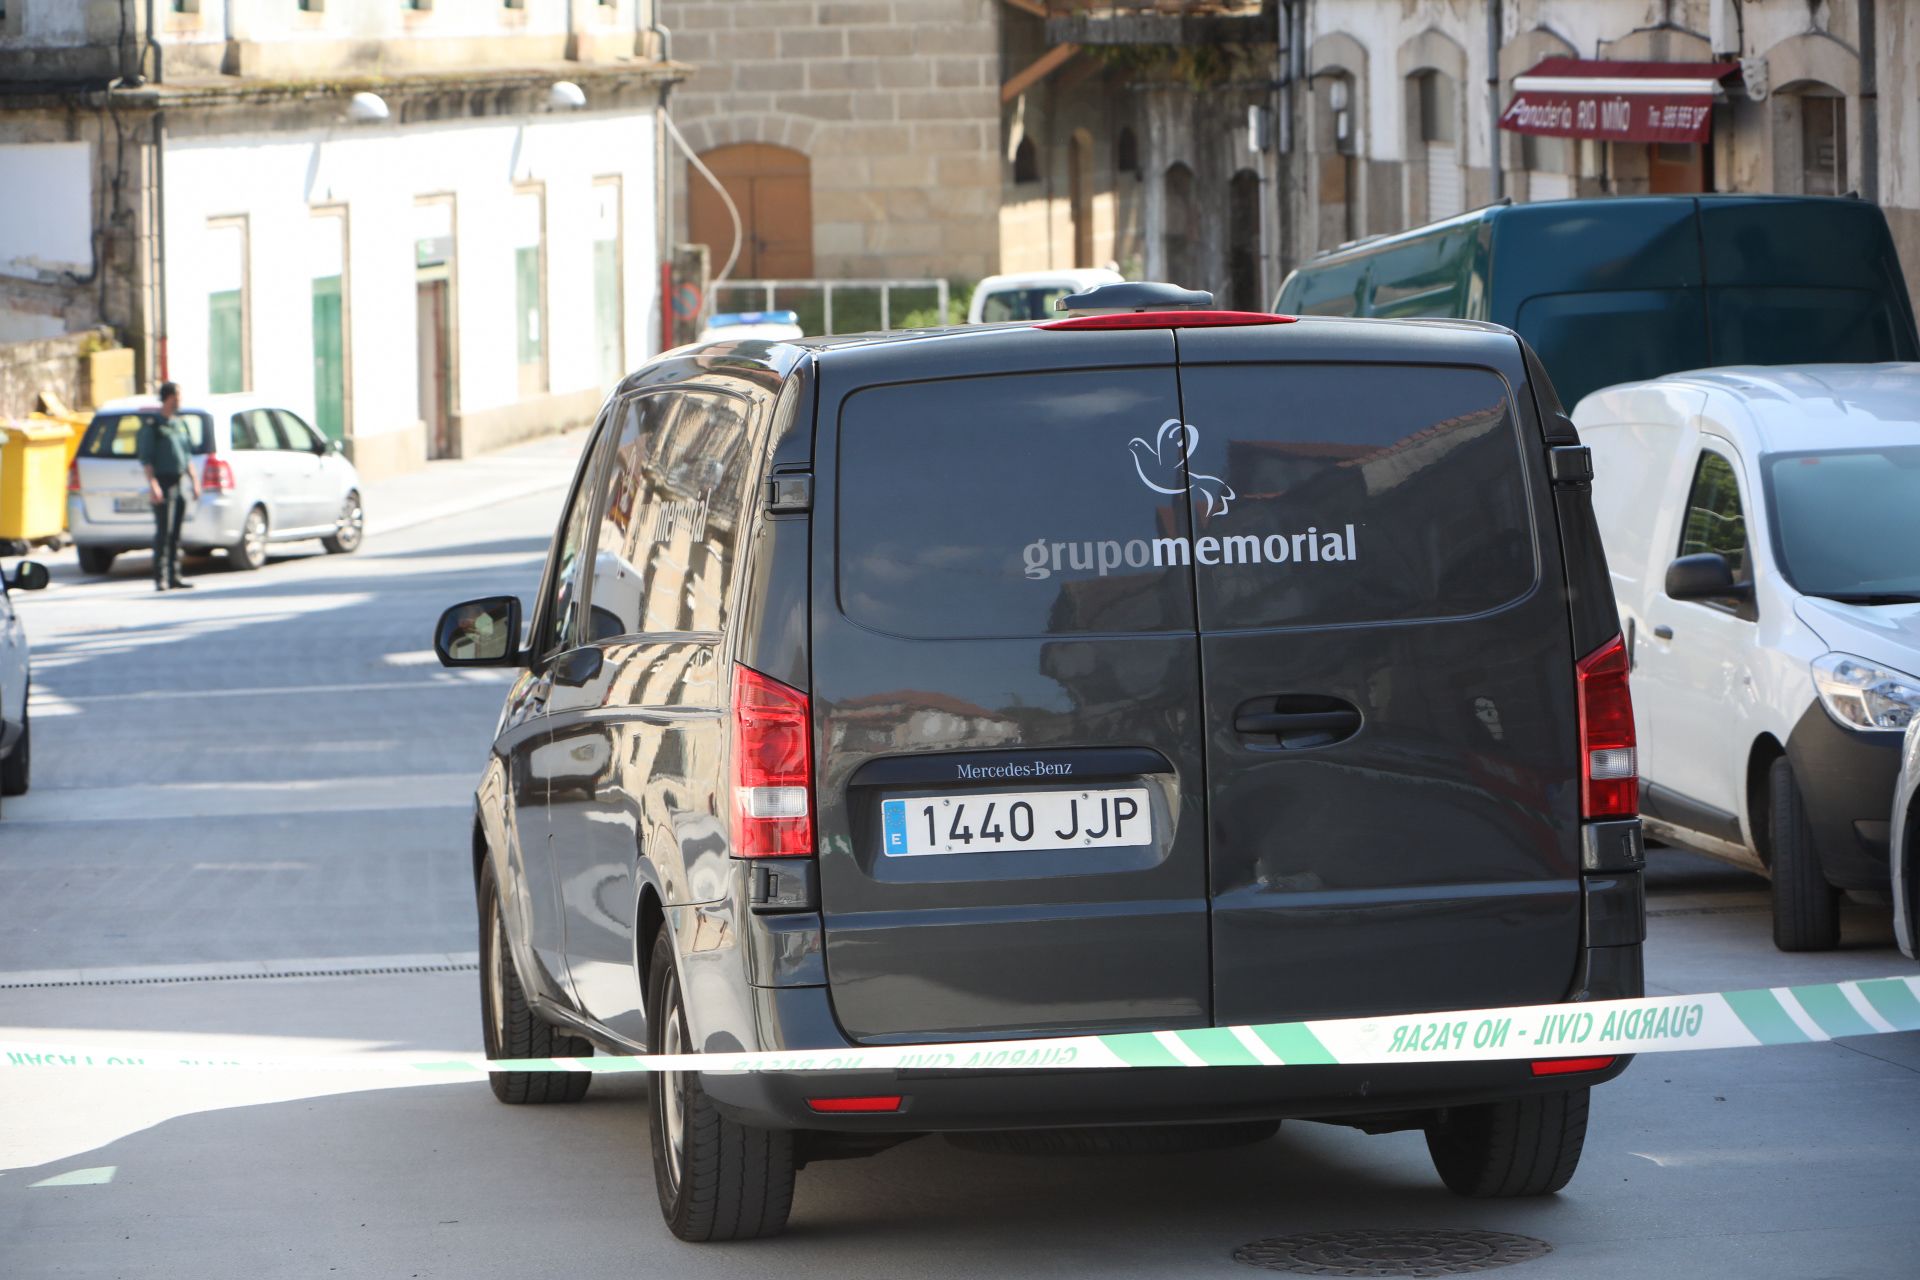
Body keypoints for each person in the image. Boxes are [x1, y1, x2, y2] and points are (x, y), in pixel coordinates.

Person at [137, 381, 199, 592]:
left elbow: (186, 455)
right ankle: (161, 577)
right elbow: (146, 459)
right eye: (177, 397)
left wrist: (194, 480)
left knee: (176, 534)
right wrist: (153, 485)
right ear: (168, 398)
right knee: (164, 532)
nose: (180, 401)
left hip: (179, 481)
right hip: (162, 482)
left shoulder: (179, 424)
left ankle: (175, 575)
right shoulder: (154, 426)